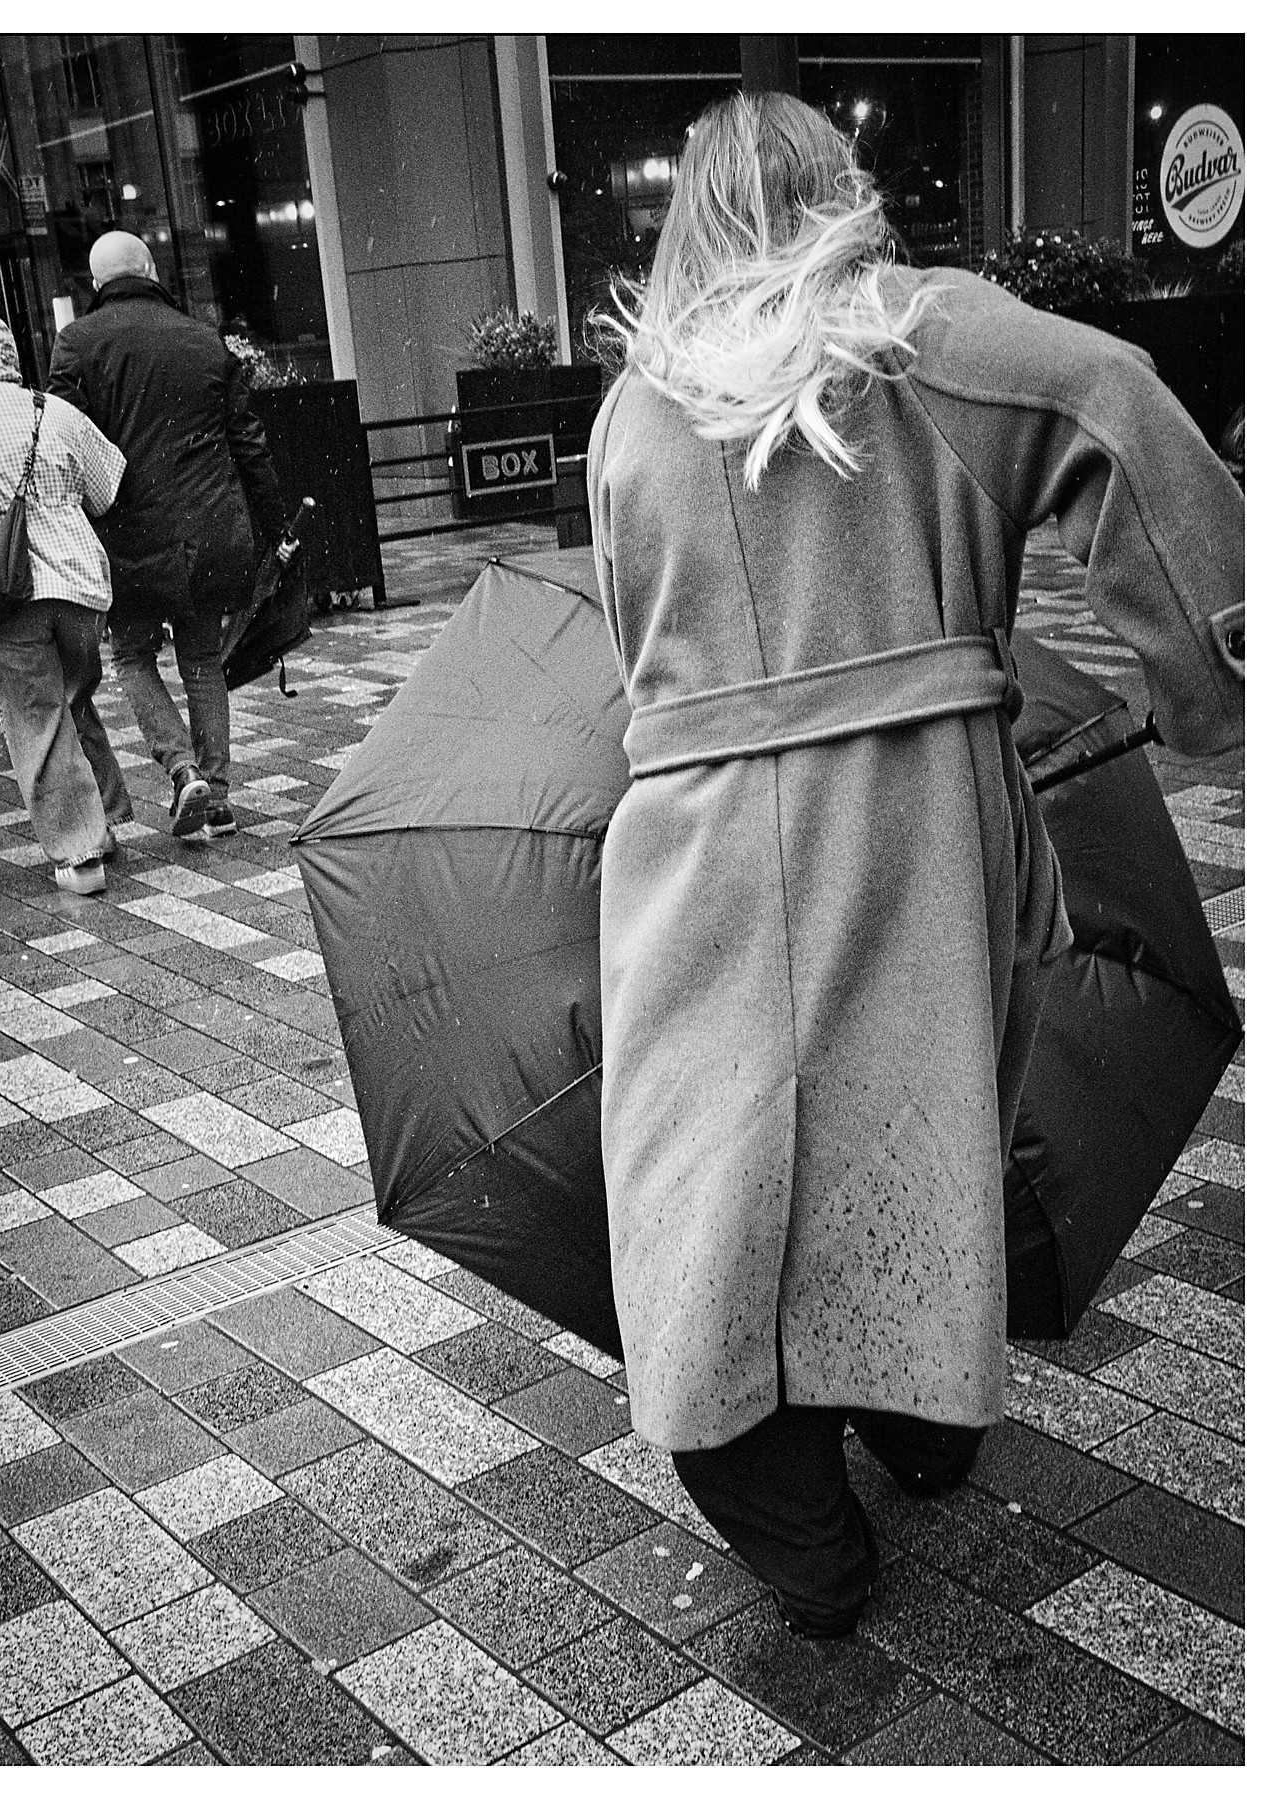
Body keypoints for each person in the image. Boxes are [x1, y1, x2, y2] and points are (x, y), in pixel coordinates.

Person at [586, 94, 1243, 1639]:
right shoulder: (913, 333)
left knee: (702, 1139)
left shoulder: (640, 401)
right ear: (839, 189)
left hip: (689, 824)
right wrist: (1201, 672)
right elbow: (1109, 394)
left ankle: (770, 1461)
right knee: (919, 1093)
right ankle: (914, 1398)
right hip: (910, 802)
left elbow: (634, 642)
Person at [47, 230, 298, 840]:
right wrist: (275, 526)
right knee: (202, 660)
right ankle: (217, 795)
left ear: (96, 282)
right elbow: (249, 448)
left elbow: (63, 446)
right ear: (152, 269)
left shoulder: (78, 344)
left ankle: (183, 769)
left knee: (133, 655)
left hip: (129, 535)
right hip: (212, 528)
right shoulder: (204, 340)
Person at [0, 313, 133, 897]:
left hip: (6, 583)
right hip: (82, 583)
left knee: (36, 714)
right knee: (71, 694)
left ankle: (80, 852)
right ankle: (108, 814)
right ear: (12, 356)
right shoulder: (56, 411)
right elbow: (107, 486)